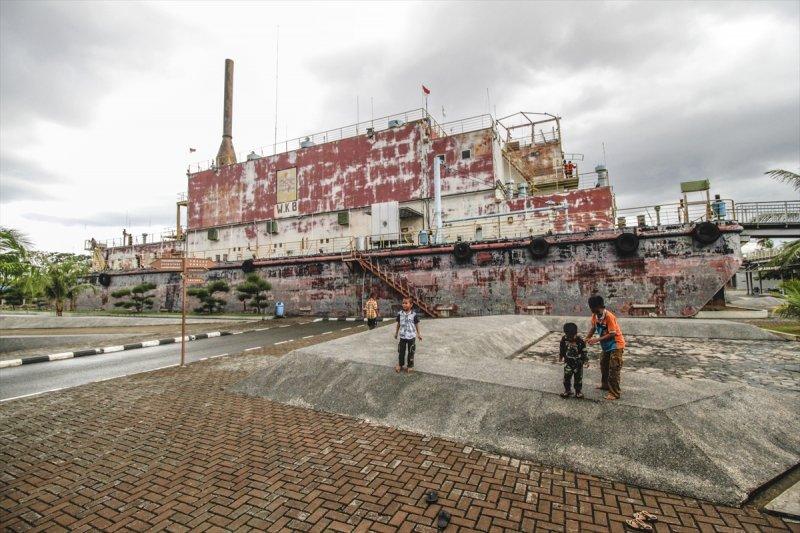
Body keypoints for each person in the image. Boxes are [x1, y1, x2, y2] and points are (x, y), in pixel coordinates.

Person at [585, 295, 626, 400]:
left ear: (598, 306)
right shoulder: (595, 316)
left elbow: (612, 334)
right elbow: (593, 328)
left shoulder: (609, 316)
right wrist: (587, 338)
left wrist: (596, 340)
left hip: (616, 345)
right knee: (604, 365)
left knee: (614, 368)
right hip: (606, 346)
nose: (591, 309)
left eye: (592, 307)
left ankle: (615, 393)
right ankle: (605, 385)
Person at [559, 322, 589, 399]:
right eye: (568, 336)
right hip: (568, 363)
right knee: (566, 377)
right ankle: (567, 390)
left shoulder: (580, 340)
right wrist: (561, 356)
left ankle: (578, 392)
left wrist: (586, 360)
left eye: (572, 336)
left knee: (578, 378)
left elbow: (584, 351)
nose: (570, 338)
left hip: (578, 363)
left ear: (576, 333)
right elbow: (562, 347)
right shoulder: (564, 339)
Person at [394, 297, 422, 373]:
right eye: (403, 303)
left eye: (406, 303)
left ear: (411, 304)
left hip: (411, 336)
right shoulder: (400, 314)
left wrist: (419, 334)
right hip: (402, 336)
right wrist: (396, 333)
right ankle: (400, 364)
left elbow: (416, 324)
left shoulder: (414, 315)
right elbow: (398, 324)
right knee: (401, 351)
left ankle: (410, 366)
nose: (404, 305)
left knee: (411, 351)